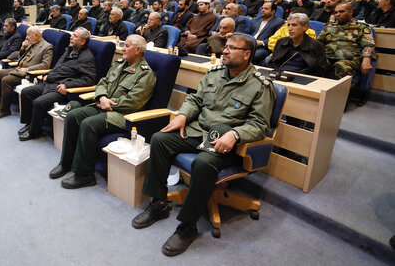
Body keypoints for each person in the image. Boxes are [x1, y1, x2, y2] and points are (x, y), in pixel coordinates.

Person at [133, 34, 275, 257]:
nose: (224, 51)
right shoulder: (215, 73)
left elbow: (260, 125)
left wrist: (236, 134)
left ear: (247, 54)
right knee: (160, 140)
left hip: (227, 143)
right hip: (200, 131)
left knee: (204, 162)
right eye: (225, 47)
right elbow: (195, 100)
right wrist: (182, 115)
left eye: (232, 48)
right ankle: (159, 204)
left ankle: (187, 227)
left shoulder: (260, 86)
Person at [49, 35, 156, 188]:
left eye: (126, 46)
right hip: (102, 105)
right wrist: (102, 97)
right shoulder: (119, 64)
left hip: (123, 115)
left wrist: (109, 104)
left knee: (88, 124)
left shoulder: (146, 74)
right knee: (73, 116)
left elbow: (135, 101)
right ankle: (66, 163)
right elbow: (103, 82)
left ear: (138, 50)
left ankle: (85, 175)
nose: (123, 49)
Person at [19, 28, 97, 141]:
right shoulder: (70, 50)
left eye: (75, 36)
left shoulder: (87, 58)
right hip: (50, 81)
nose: (71, 37)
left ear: (83, 41)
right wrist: (47, 74)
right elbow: (57, 67)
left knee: (38, 102)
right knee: (26, 92)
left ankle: (35, 131)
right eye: (72, 35)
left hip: (60, 88)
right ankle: (29, 123)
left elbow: (89, 79)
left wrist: (68, 85)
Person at [0, 26, 53, 119]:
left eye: (29, 35)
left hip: (28, 73)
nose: (26, 37)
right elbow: (20, 58)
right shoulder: (30, 43)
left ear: (36, 35)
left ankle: (4, 110)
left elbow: (46, 65)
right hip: (18, 68)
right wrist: (22, 48)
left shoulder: (47, 46)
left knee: (6, 80)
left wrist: (28, 69)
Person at [317, 3, 375, 79]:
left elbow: (368, 45)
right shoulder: (329, 26)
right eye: (336, 12)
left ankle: (343, 90)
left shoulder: (361, 27)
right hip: (328, 57)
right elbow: (318, 42)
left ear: (351, 12)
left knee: (341, 65)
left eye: (341, 11)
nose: (338, 14)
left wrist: (366, 60)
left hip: (350, 60)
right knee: (313, 63)